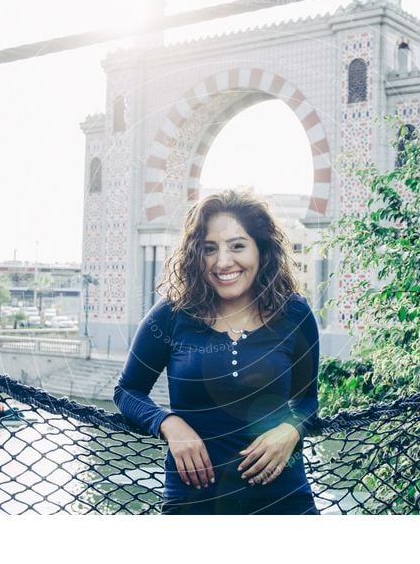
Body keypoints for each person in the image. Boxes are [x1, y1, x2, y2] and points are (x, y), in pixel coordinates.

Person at [114, 189, 320, 515]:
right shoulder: (171, 315)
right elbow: (127, 390)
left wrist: (290, 429)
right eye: (210, 249)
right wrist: (168, 424)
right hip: (195, 503)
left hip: (283, 499)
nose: (223, 261)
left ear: (261, 248)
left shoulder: (294, 313)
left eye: (237, 245)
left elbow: (308, 400)